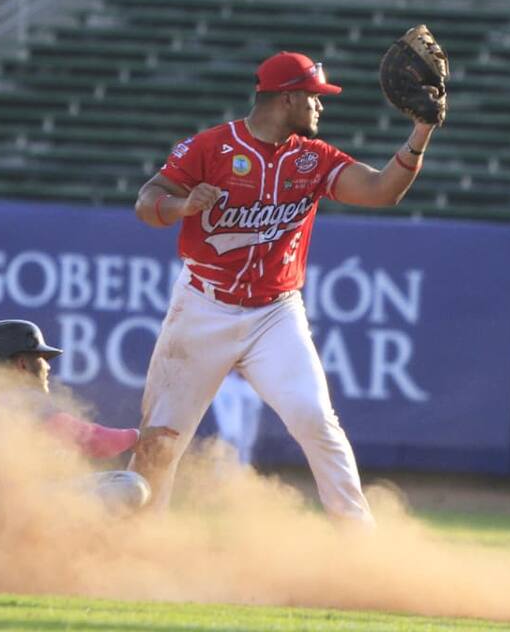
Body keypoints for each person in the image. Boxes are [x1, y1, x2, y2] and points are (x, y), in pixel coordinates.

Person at [128, 51, 440, 525]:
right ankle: (135, 540)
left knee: (316, 420)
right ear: (288, 98)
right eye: (315, 97)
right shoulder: (211, 147)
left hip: (275, 313)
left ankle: (359, 541)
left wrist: (421, 132)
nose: (321, 106)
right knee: (161, 438)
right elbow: (146, 200)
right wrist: (182, 206)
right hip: (203, 304)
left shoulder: (313, 158)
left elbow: (381, 190)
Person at [0, 319, 178, 515]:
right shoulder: (26, 399)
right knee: (132, 485)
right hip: (30, 511)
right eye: (41, 358)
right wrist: (138, 437)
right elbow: (91, 440)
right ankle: (67, 536)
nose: (48, 366)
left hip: (2, 516)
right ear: (22, 364)